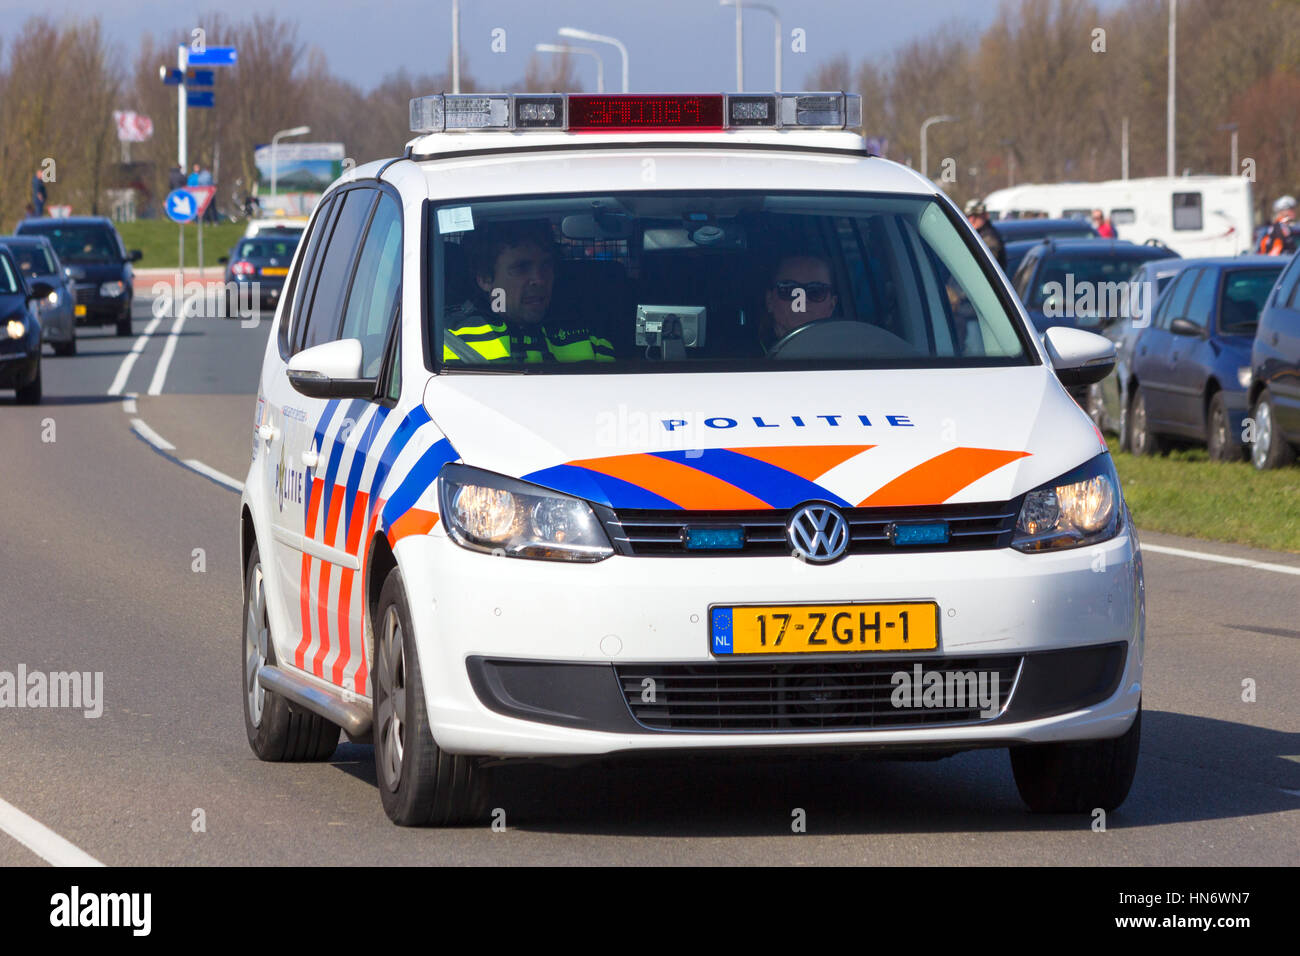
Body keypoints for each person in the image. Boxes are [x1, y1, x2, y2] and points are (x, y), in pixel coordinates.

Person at [442, 220, 615, 364]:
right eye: (521, 268)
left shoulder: (589, 339)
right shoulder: (452, 343)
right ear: (485, 279)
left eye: (546, 265)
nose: (539, 280)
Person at [761, 253, 839, 350]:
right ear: (770, 300)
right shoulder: (745, 359)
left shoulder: (847, 351)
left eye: (816, 291)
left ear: (832, 305)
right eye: (789, 289)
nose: (802, 300)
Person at [964, 199, 1006, 271]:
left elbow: (985, 266)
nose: (972, 219)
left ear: (985, 216)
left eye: (976, 216)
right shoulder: (976, 234)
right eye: (969, 216)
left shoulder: (990, 237)